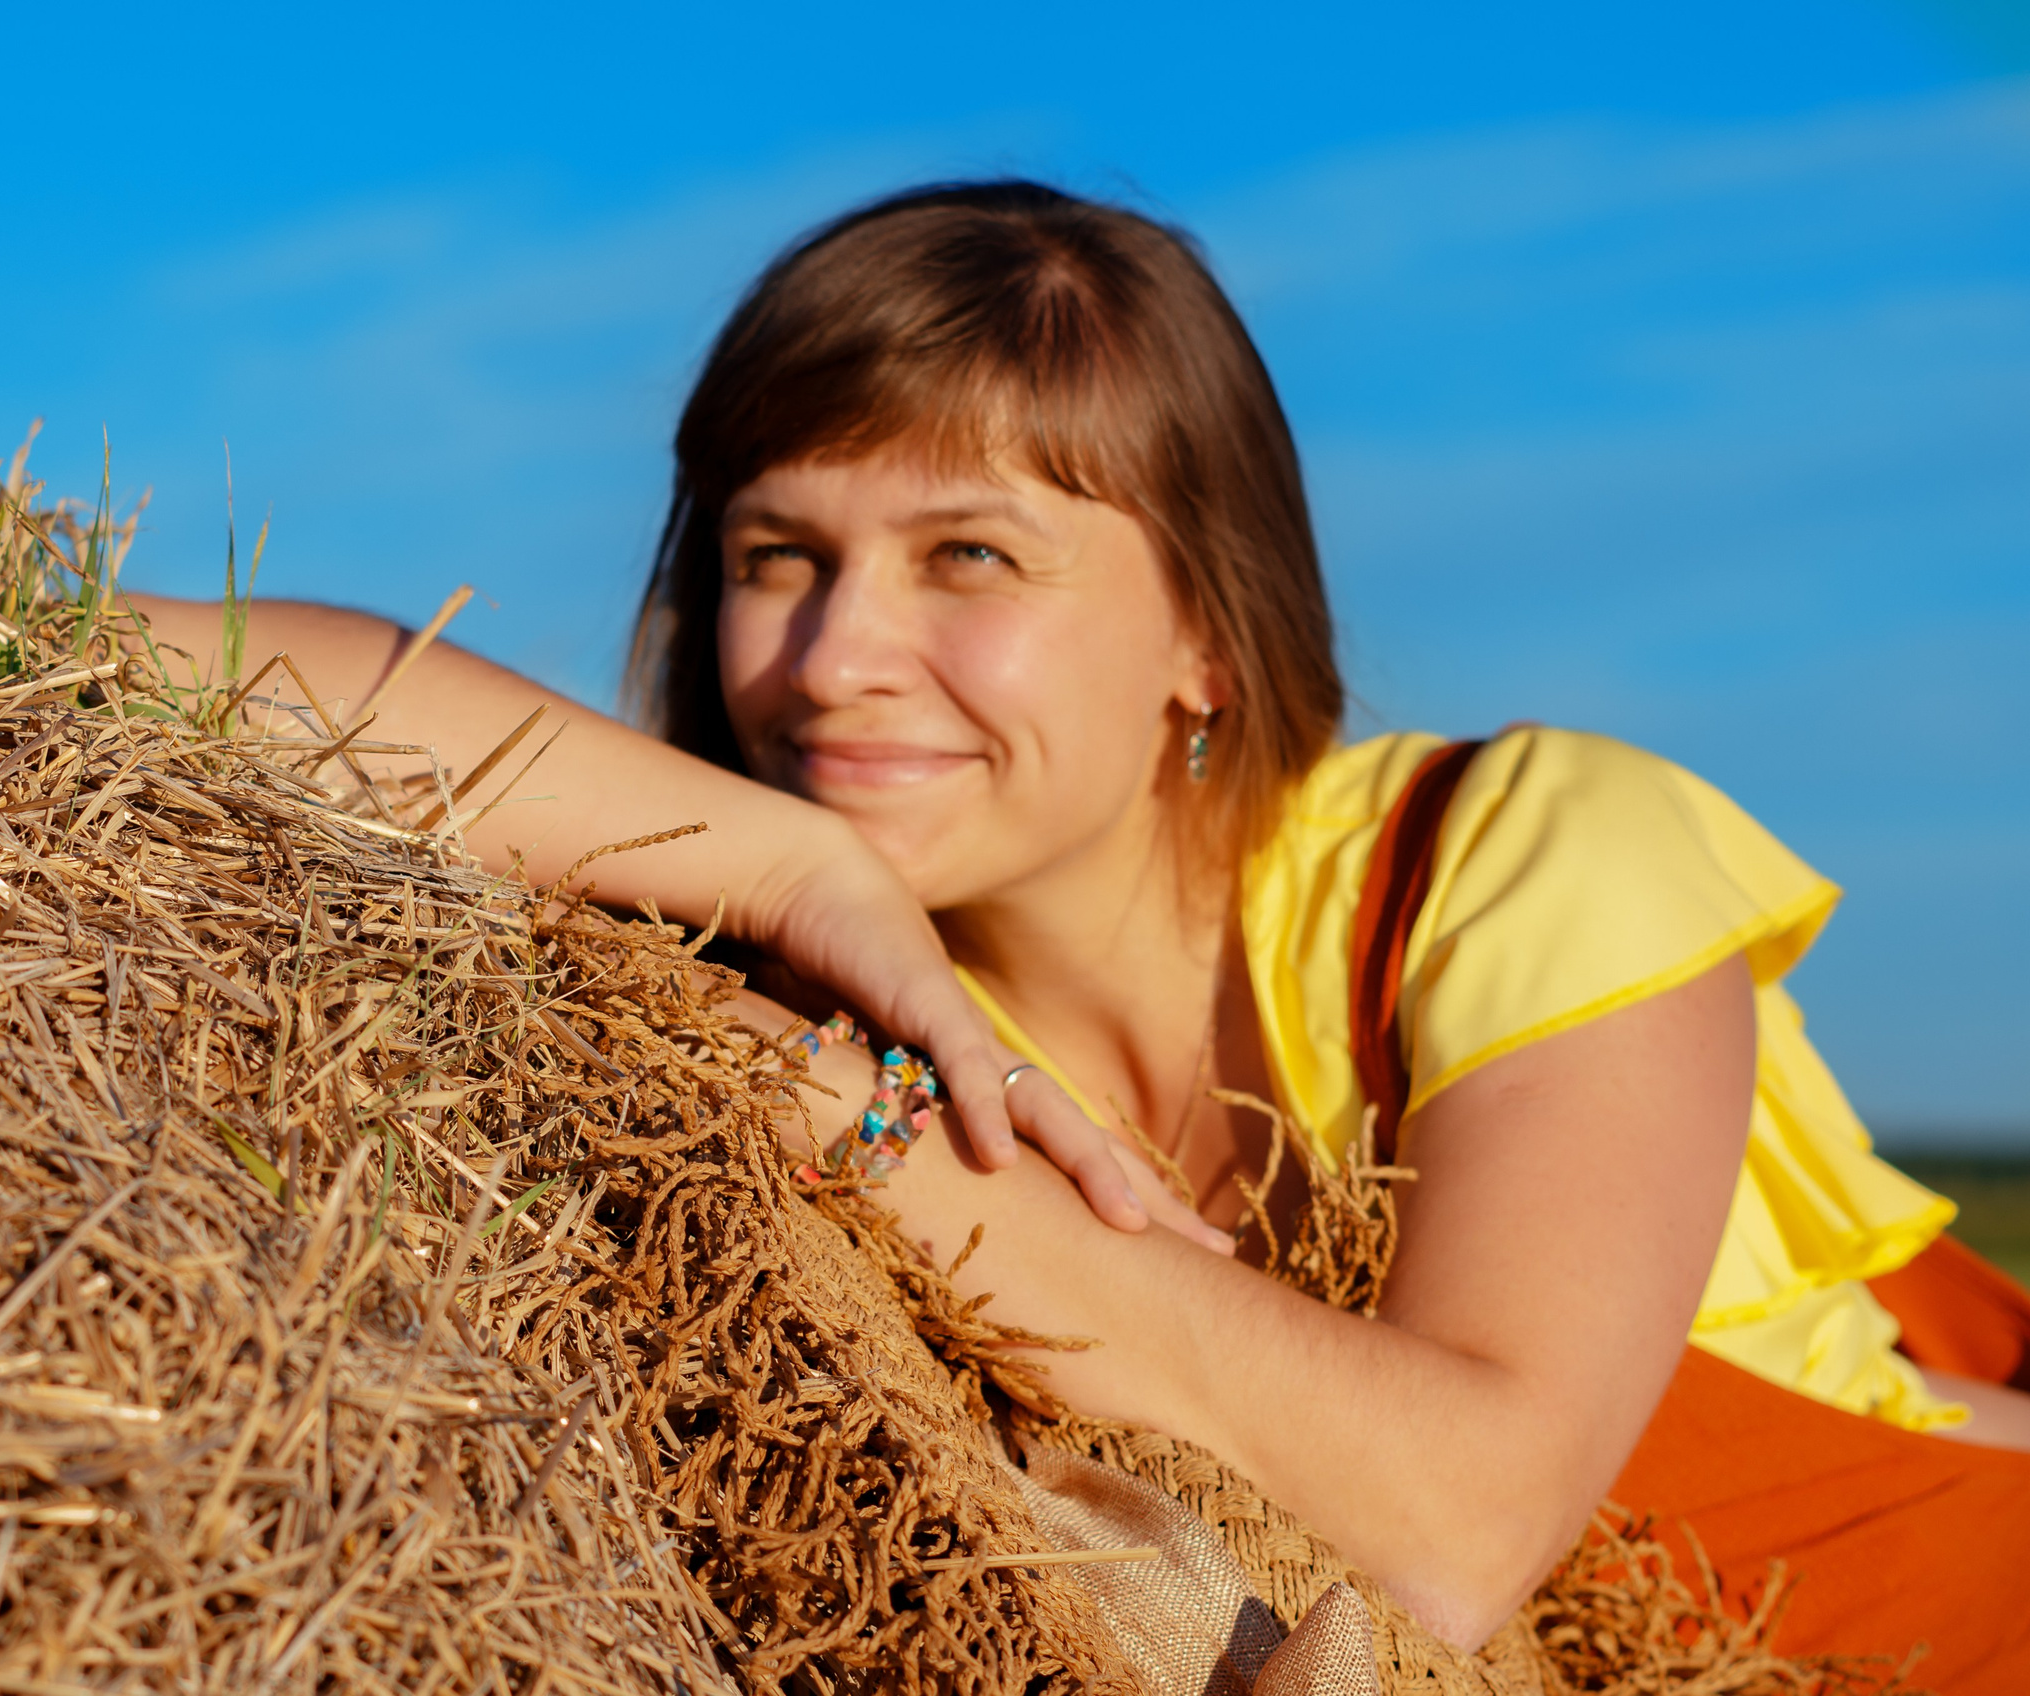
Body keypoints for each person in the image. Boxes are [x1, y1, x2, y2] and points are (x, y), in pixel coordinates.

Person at [124, 182, 2030, 1683]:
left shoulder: (1507, 852)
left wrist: (857, 1146)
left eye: (971, 555)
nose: (838, 659)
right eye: (776, 556)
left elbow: (1459, 1529)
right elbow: (131, 667)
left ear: (1208, 627)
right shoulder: (797, 945)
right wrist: (791, 870)